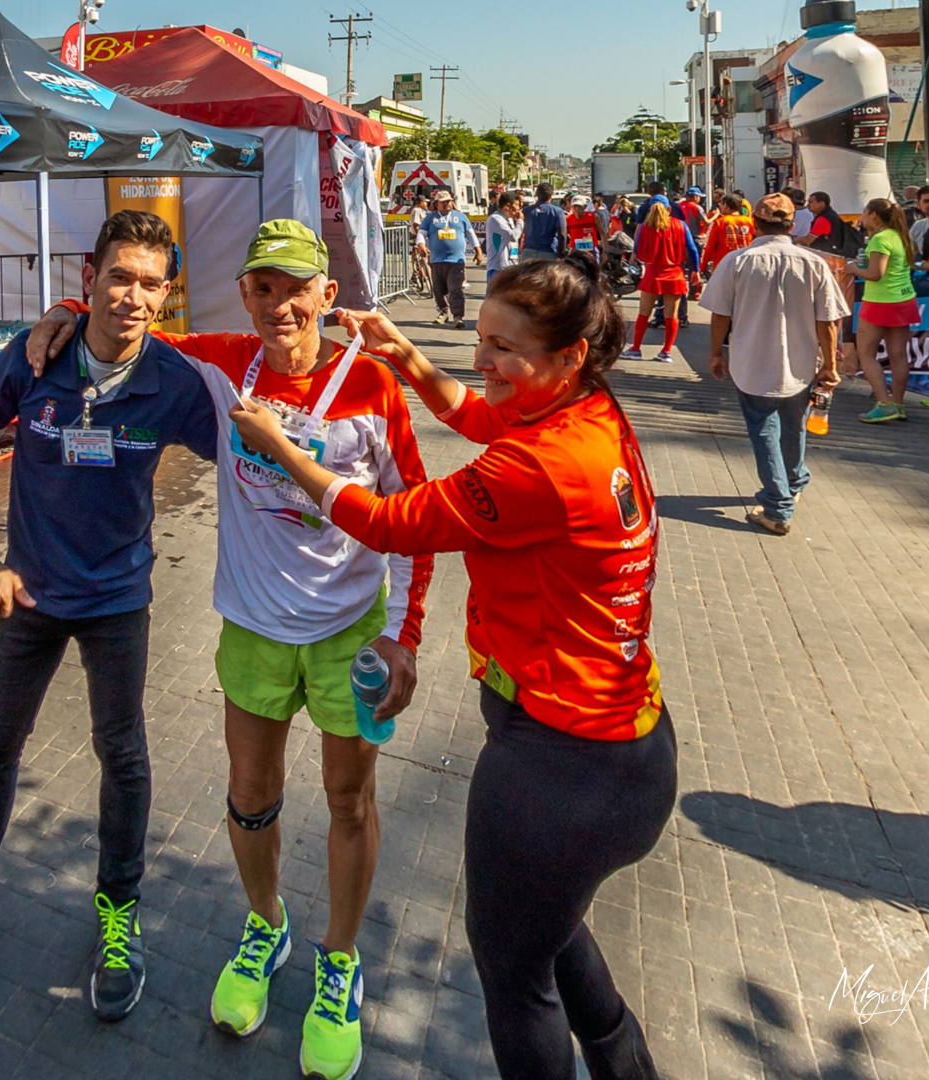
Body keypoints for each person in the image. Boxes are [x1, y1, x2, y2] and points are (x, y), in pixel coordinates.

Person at [228, 254, 675, 1080]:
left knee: (513, 976)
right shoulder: (586, 409)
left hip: (556, 767)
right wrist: (407, 358)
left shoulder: (537, 467)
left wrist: (277, 445)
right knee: (553, 926)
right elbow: (482, 412)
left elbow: (390, 521)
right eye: (479, 339)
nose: (483, 363)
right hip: (626, 745)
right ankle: (625, 1066)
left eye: (504, 348)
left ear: (569, 354)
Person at [25, 220, 431, 1080]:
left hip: (349, 635)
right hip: (250, 628)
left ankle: (340, 960)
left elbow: (419, 519)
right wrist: (61, 309)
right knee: (251, 793)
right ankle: (264, 926)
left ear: (328, 294)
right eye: (262, 288)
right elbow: (127, 320)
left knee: (348, 802)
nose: (279, 306)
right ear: (244, 295)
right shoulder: (215, 362)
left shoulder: (375, 389)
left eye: (296, 288)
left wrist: (405, 637)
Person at [0, 211, 220, 1025]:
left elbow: (247, 451)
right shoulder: (33, 359)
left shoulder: (175, 383)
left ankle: (118, 915)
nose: (133, 296)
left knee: (121, 755)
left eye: (150, 284)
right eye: (119, 277)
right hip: (27, 593)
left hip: (119, 599)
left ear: (167, 297)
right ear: (88, 277)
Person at [699, 193, 850, 536]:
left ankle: (778, 505)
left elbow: (720, 314)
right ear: (793, 224)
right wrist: (829, 364)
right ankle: (793, 482)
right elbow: (828, 320)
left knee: (764, 429)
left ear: (755, 223)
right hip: (800, 362)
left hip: (750, 361)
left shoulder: (737, 261)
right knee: (793, 424)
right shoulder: (813, 263)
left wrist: (715, 353)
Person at [844, 198, 920, 424]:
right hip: (903, 298)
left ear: (874, 215)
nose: (863, 217)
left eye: (865, 213)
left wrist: (854, 269)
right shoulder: (900, 236)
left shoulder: (880, 239)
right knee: (898, 355)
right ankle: (897, 403)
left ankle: (884, 403)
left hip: (880, 301)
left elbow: (876, 273)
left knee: (866, 354)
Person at [622, 202, 692, 362]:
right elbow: (692, 248)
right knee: (671, 316)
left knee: (643, 314)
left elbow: (638, 249)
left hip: (653, 273)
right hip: (675, 273)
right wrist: (695, 270)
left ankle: (635, 349)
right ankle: (666, 352)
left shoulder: (645, 227)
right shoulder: (680, 225)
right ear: (669, 209)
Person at [419, 189, 483, 328]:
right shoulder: (430, 218)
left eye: (448, 201)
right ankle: (443, 312)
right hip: (437, 260)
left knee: (455, 289)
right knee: (438, 289)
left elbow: (470, 234)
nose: (447, 204)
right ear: (437, 204)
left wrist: (478, 250)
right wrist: (421, 245)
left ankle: (458, 316)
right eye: (443, 202)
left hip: (456, 261)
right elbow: (421, 233)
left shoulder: (460, 217)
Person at [793, 192, 863, 260]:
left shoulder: (823, 219)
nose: (808, 205)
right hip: (835, 254)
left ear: (821, 204)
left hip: (829, 256)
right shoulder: (830, 214)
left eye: (811, 202)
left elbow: (809, 239)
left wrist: (792, 240)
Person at [699, 194, 755, 276]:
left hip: (723, 267)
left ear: (726, 205)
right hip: (746, 265)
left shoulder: (720, 222)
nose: (720, 208)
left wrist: (702, 267)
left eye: (721, 205)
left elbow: (709, 246)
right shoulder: (750, 222)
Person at [520, 183, 568, 263]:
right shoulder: (557, 212)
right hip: (548, 252)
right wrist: (561, 254)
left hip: (528, 252)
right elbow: (562, 234)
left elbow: (520, 230)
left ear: (536, 195)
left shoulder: (526, 211)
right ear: (550, 196)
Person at [487, 191, 524, 284]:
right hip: (498, 267)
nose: (519, 208)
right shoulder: (495, 219)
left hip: (511, 265)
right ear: (507, 206)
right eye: (516, 205)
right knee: (496, 297)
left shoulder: (509, 220)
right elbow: (513, 236)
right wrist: (520, 221)